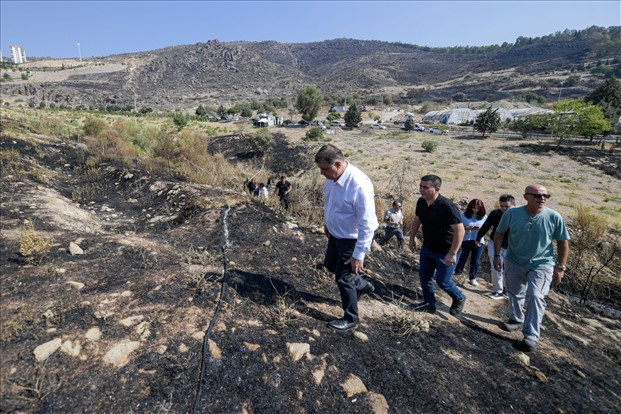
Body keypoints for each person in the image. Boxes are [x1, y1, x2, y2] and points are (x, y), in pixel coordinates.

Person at [493, 184, 569, 352]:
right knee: (514, 293)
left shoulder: (554, 217)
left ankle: (531, 335)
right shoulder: (512, 214)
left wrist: (561, 267)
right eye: (537, 195)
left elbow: (563, 242)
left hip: (543, 263)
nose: (542, 198)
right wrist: (497, 256)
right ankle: (515, 319)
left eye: (545, 196)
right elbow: (499, 234)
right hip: (514, 260)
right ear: (526, 196)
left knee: (535, 296)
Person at [315, 144, 378, 332]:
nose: (322, 173)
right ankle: (362, 285)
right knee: (329, 265)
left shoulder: (358, 184)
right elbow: (331, 204)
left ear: (338, 164)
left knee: (343, 277)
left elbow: (367, 222)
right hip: (336, 235)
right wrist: (328, 223)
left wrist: (359, 254)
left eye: (324, 169)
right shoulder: (331, 179)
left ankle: (351, 318)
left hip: (352, 238)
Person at [408, 174, 466, 316]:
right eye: (420, 186)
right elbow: (417, 220)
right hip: (428, 248)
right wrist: (411, 238)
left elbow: (460, 230)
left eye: (425, 187)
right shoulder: (421, 202)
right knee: (424, 276)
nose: (421, 190)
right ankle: (429, 304)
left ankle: (459, 297)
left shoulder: (447, 206)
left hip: (446, 251)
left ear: (437, 189)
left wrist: (452, 253)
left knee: (443, 282)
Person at [475, 194, 516, 299]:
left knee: (509, 268)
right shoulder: (495, 213)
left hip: (511, 247)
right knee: (496, 267)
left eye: (506, 206)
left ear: (514, 205)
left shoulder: (519, 216)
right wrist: (479, 237)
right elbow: (486, 225)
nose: (503, 208)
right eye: (501, 206)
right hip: (495, 244)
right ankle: (498, 290)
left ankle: (507, 289)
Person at [454, 199, 487, 286]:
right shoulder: (463, 215)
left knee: (475, 260)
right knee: (463, 256)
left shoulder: (484, 217)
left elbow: (486, 228)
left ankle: (472, 277)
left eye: (478, 208)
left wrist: (480, 229)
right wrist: (467, 228)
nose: (475, 210)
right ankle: (457, 273)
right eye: (474, 208)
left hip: (479, 240)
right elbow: (458, 227)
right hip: (466, 239)